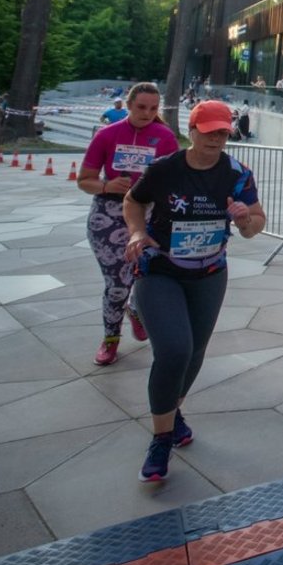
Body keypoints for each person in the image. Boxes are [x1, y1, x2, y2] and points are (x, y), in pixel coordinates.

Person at [123, 100, 266, 482]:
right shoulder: (165, 169)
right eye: (210, 132)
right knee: (174, 349)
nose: (217, 139)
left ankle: (173, 411)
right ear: (192, 130)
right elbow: (133, 202)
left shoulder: (237, 173)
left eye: (223, 132)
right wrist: (138, 232)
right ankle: (161, 437)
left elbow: (256, 225)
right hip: (160, 270)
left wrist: (244, 220)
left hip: (210, 273)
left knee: (195, 351)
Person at [77, 82, 180, 366]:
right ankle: (110, 339)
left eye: (153, 108)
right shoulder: (107, 135)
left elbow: (174, 181)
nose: (147, 113)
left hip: (148, 216)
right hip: (107, 217)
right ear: (129, 105)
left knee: (142, 277)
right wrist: (108, 185)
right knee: (117, 285)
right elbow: (84, 180)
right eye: (141, 107)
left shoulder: (164, 137)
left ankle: (135, 310)